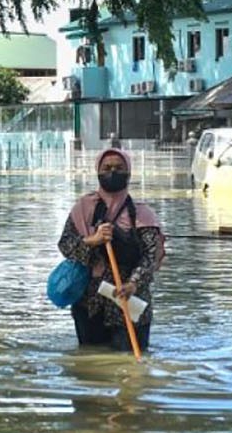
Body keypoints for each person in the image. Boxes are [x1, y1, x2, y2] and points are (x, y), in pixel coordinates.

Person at [57, 149, 165, 351]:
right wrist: (92, 240)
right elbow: (66, 245)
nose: (112, 172)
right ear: (97, 171)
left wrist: (133, 283)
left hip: (130, 303)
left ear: (128, 173)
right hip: (90, 304)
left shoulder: (142, 214)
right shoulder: (83, 208)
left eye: (118, 168)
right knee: (91, 363)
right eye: (106, 168)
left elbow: (151, 256)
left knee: (130, 364)